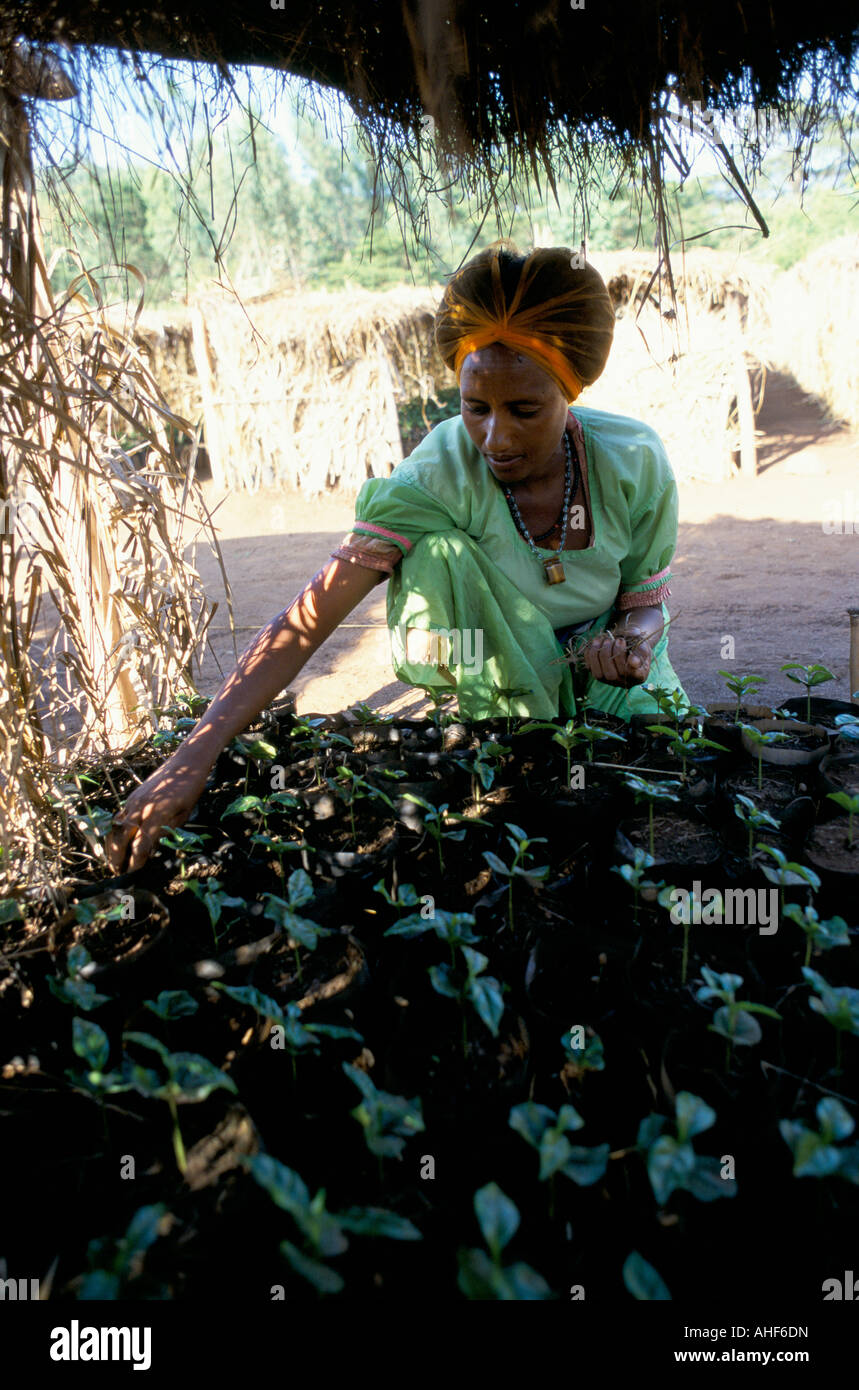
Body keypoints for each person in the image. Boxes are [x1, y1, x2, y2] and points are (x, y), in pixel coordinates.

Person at [106, 242, 685, 874]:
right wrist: (193, 755)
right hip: (500, 668)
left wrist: (629, 645)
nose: (496, 436)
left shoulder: (632, 462)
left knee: (667, 794)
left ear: (569, 393)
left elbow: (644, 605)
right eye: (476, 407)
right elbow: (305, 620)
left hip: (607, 668)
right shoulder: (435, 477)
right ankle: (511, 730)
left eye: (524, 409)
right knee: (525, 806)